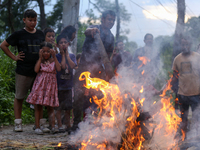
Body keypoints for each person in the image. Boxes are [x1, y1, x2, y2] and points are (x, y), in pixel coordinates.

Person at [71, 10, 116, 133]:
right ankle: (76, 124)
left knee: (98, 97)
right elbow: (86, 31)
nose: (111, 22)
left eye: (113, 20)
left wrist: (108, 73)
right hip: (84, 68)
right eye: (109, 19)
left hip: (99, 71)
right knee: (79, 96)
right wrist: (92, 31)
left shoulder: (111, 37)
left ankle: (93, 124)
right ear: (102, 19)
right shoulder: (95, 28)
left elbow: (107, 56)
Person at [0, 9, 45, 132]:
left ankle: (39, 124)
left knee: (38, 98)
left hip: (38, 71)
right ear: (24, 20)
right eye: (30, 20)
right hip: (23, 70)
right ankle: (18, 123)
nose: (32, 23)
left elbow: (45, 49)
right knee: (19, 97)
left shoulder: (40, 34)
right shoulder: (19, 34)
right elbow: (3, 45)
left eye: (35, 20)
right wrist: (14, 57)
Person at [26, 41, 61, 134]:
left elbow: (59, 69)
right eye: (44, 51)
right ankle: (37, 126)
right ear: (41, 51)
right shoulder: (39, 61)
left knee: (50, 106)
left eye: (48, 51)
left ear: (51, 52)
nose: (46, 53)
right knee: (38, 106)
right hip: (40, 85)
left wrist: (55, 57)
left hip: (51, 86)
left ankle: (53, 126)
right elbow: (36, 70)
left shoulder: (54, 60)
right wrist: (40, 57)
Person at [172, 37, 200, 140]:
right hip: (182, 94)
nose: (185, 47)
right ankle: (184, 139)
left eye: (187, 44)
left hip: (196, 94)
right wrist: (165, 89)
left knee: (197, 119)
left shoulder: (197, 57)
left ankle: (196, 140)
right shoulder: (177, 59)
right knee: (183, 119)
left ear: (191, 45)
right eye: (183, 45)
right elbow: (174, 76)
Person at [55, 34, 77, 133]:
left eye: (65, 42)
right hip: (59, 86)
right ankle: (60, 125)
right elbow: (62, 67)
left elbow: (73, 66)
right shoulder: (57, 56)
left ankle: (68, 125)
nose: (63, 44)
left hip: (68, 86)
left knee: (68, 107)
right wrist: (63, 55)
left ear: (68, 44)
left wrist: (67, 56)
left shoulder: (72, 56)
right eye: (61, 43)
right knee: (58, 107)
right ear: (57, 45)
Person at [132, 33, 160, 108]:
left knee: (148, 95)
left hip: (150, 78)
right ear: (144, 41)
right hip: (139, 78)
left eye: (151, 39)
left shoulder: (156, 53)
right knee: (139, 95)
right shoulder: (138, 51)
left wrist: (153, 74)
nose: (150, 40)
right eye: (148, 39)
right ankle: (138, 110)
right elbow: (133, 64)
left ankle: (146, 112)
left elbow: (157, 65)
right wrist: (137, 74)